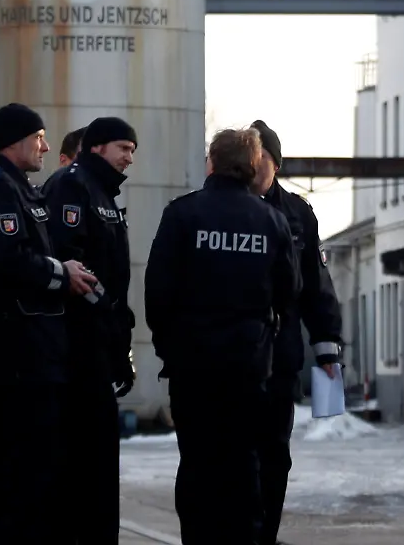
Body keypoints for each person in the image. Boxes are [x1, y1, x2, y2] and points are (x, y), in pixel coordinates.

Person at [144, 127, 300, 545]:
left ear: (212, 162)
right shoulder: (271, 220)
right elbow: (289, 291)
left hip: (192, 367)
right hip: (248, 368)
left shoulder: (183, 215)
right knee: (243, 465)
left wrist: (169, 347)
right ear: (252, 166)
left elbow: (157, 291)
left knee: (197, 464)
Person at [0, 103, 97, 544]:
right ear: (14, 141)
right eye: (38, 137)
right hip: (15, 357)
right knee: (15, 476)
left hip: (36, 356)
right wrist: (62, 273)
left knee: (36, 476)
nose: (46, 146)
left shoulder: (20, 189)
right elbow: (7, 258)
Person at [41, 116, 138, 544]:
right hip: (75, 351)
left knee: (100, 467)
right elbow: (71, 264)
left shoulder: (104, 194)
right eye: (124, 148)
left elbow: (115, 282)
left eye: (132, 151)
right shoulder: (71, 186)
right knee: (79, 468)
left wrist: (120, 346)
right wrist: (105, 316)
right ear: (97, 147)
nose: (129, 158)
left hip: (98, 347)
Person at [248, 119, 344, 545]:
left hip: (280, 356)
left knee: (275, 455)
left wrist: (327, 348)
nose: (253, 166)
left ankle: (265, 533)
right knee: (239, 456)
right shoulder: (223, 207)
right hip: (234, 355)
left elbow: (317, 287)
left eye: (261, 158)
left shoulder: (298, 214)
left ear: (276, 163)